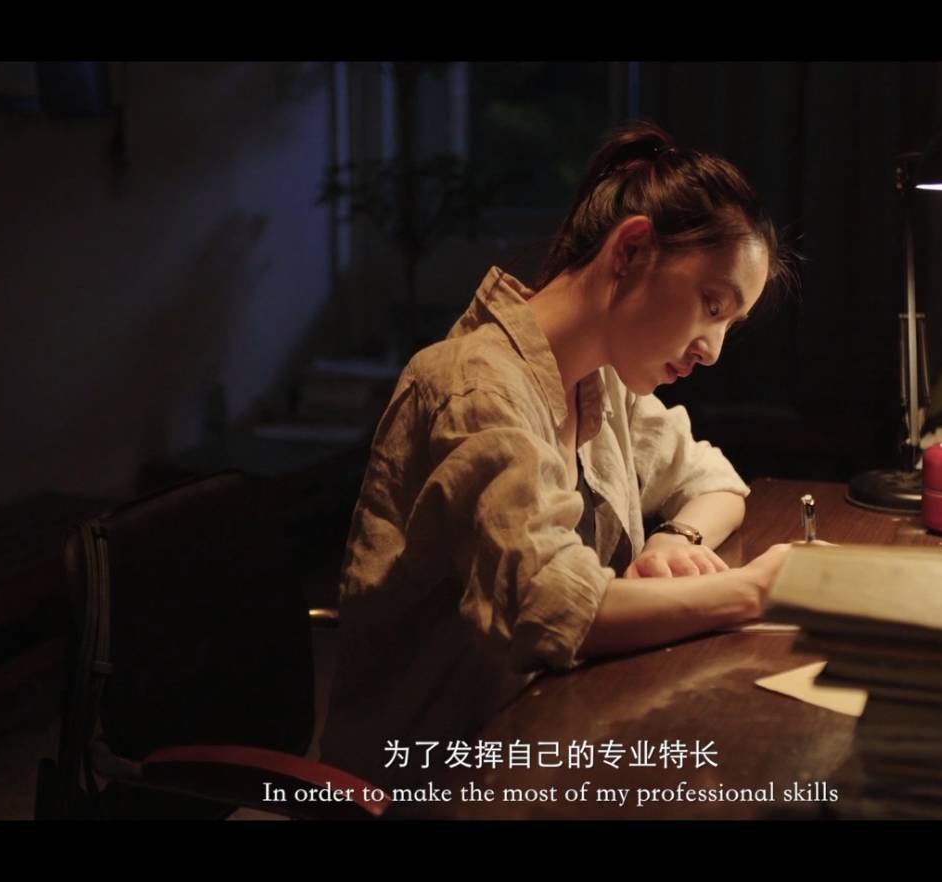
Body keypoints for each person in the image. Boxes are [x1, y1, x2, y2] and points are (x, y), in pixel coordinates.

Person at [319, 121, 799, 789]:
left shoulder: (601, 376)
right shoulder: (473, 386)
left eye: (728, 325)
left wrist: (675, 539)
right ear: (632, 250)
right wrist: (752, 591)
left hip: (551, 733)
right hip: (432, 779)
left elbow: (714, 481)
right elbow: (548, 608)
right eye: (711, 305)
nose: (712, 351)